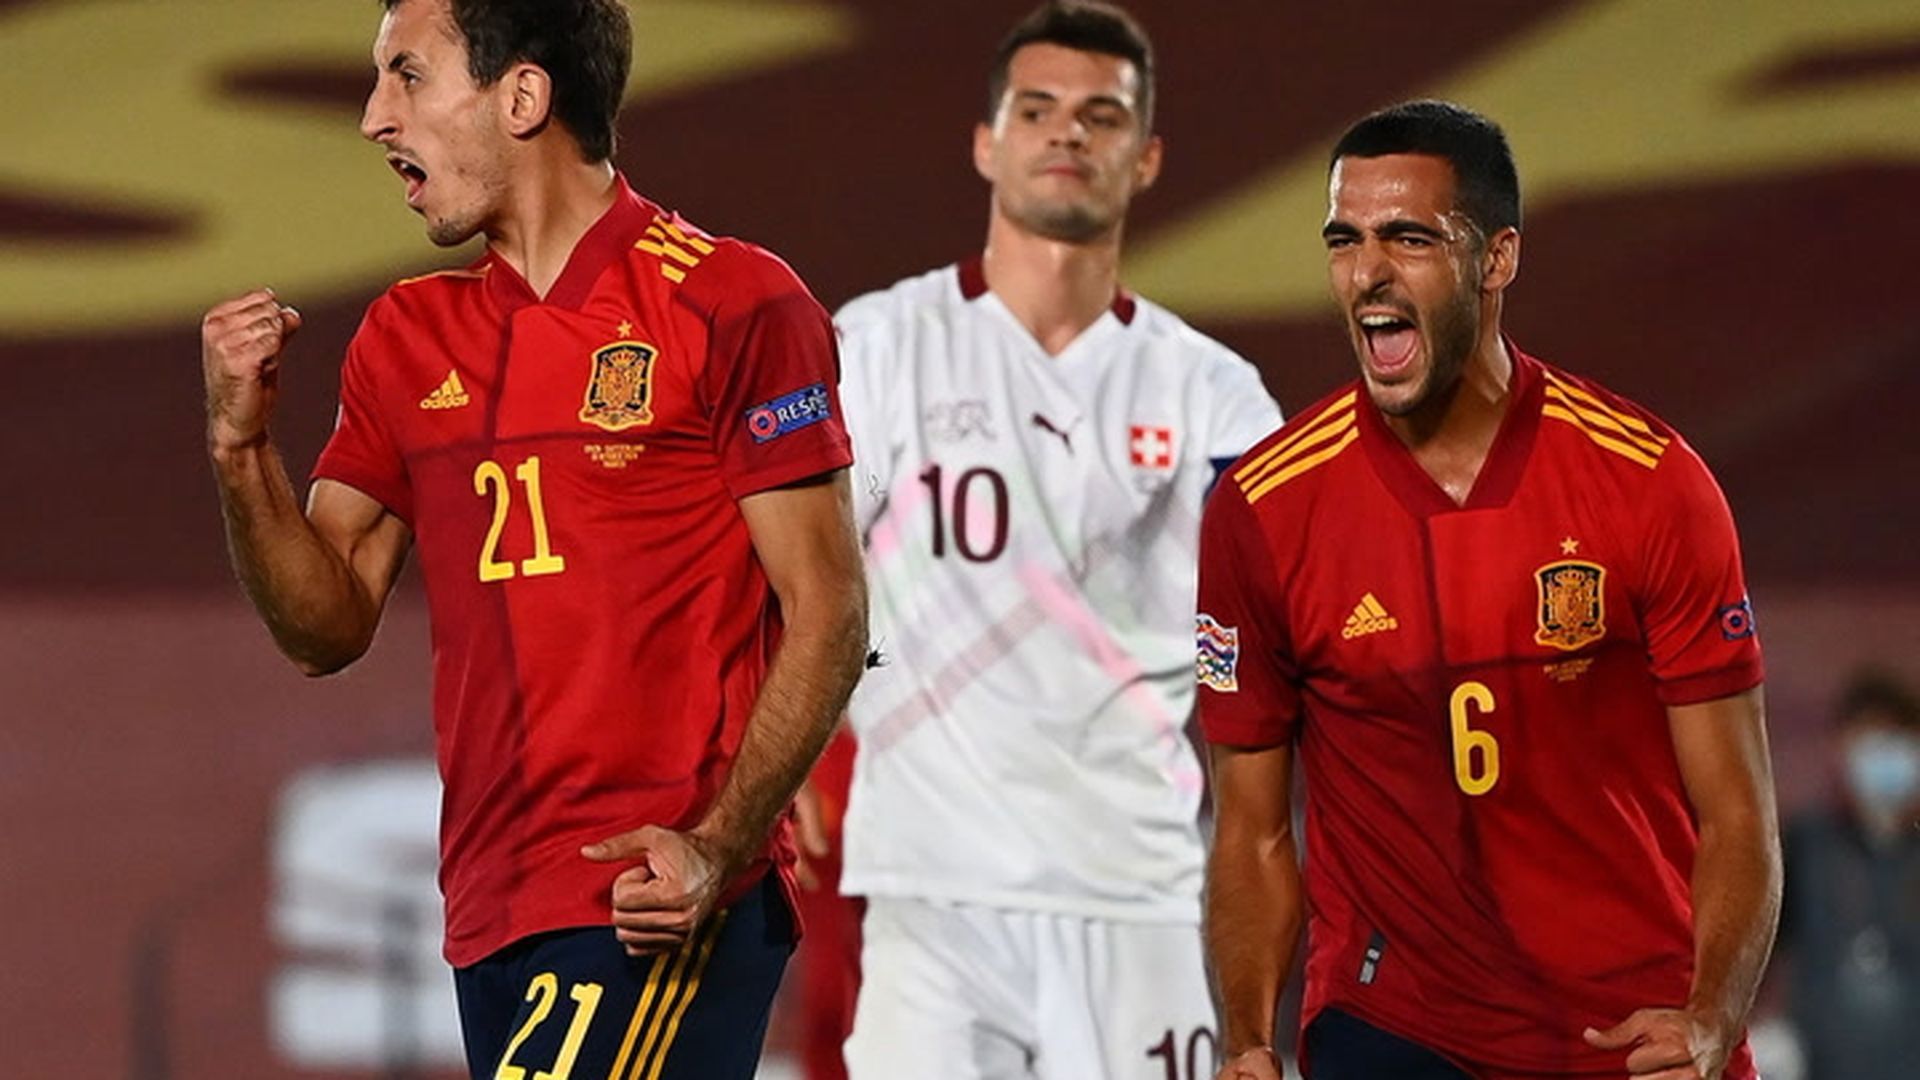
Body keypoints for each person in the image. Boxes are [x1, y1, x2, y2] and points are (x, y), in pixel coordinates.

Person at [198, 1, 867, 1077]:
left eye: (407, 76)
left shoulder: (734, 304)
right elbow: (323, 624)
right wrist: (242, 453)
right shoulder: (406, 338)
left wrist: (717, 848)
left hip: (647, 898)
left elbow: (831, 610)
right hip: (488, 913)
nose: (375, 117)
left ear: (522, 95)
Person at [1198, 100, 1781, 1080]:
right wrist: (1248, 1040)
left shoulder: (1647, 482)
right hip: (1394, 1028)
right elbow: (1253, 834)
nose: (1367, 273)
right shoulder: (1264, 509)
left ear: (1498, 258)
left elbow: (1737, 814)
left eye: (1409, 237)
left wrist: (1713, 1014)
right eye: (1345, 240)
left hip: (1628, 1034)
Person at [830, 3, 1283, 1076]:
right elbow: (788, 587)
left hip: (1141, 896)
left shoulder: (1215, 395)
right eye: (1037, 110)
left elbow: (1278, 635)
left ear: (1148, 156)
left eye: (1101, 116)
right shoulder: (877, 348)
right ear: (988, 142)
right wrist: (795, 764)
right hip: (931, 897)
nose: (1068, 135)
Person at [1776, 669, 1920, 1078]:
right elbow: (1761, 952)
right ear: (1841, 751)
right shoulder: (1805, 842)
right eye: (1868, 742)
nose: (1883, 758)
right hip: (1825, 1062)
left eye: (1896, 741)